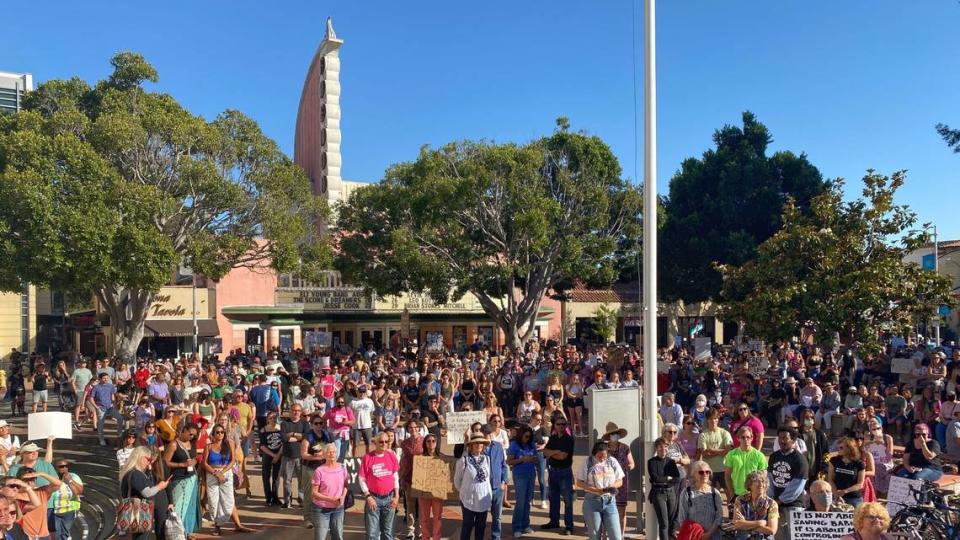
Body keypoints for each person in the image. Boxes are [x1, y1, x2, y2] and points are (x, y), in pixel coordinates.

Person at [204, 423, 252, 534]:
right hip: (212, 474)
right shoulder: (209, 446)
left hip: (226, 473)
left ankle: (236, 524)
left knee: (228, 500)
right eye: (217, 432)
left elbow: (233, 461)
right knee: (213, 501)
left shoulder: (230, 443)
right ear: (213, 434)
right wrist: (216, 473)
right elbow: (205, 463)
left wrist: (222, 472)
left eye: (222, 432)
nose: (220, 434)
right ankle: (217, 526)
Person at [119, 447, 170, 540]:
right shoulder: (136, 474)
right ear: (140, 457)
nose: (149, 462)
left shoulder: (132, 472)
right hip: (141, 511)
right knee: (141, 537)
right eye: (148, 459)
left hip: (138, 510)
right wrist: (160, 487)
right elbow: (147, 493)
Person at [576, 441, 624, 540]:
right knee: (595, 536)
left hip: (610, 501)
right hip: (592, 501)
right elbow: (579, 482)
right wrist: (594, 489)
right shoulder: (588, 461)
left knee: (616, 536)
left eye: (604, 455)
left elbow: (620, 481)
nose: (602, 458)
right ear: (595, 452)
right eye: (600, 455)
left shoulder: (612, 461)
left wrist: (611, 486)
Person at [766, 427, 808, 540]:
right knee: (777, 534)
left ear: (793, 440)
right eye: (779, 438)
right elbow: (770, 479)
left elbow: (797, 487)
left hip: (794, 504)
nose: (781, 441)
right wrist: (770, 500)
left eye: (785, 438)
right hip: (775, 503)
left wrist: (778, 501)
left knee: (795, 536)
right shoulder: (774, 457)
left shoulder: (800, 460)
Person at [359, 432, 400, 540]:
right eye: (381, 442)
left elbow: (395, 477)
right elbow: (361, 479)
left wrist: (396, 496)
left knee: (388, 533)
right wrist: (368, 496)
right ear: (375, 442)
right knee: (372, 533)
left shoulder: (391, 456)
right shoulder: (367, 457)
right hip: (373, 498)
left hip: (389, 498)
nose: (384, 444)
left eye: (387, 441)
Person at [164, 423, 201, 536]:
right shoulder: (174, 445)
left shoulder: (192, 443)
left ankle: (188, 531)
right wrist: (182, 464)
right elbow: (165, 462)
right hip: (178, 479)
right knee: (178, 506)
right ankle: (177, 532)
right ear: (183, 430)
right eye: (190, 434)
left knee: (190, 506)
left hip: (191, 479)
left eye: (194, 435)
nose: (192, 437)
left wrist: (195, 461)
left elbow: (193, 457)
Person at [454, 433, 492, 540]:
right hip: (468, 500)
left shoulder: (487, 459)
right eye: (476, 443)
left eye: (481, 443)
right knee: (467, 526)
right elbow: (457, 480)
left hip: (483, 499)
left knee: (481, 527)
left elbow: (488, 479)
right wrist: (465, 491)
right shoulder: (464, 461)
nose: (478, 445)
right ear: (470, 446)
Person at [541, 416, 575, 535]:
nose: (560, 426)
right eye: (558, 424)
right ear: (555, 425)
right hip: (553, 471)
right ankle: (554, 521)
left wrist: (552, 453)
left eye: (563, 424)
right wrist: (556, 452)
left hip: (564, 471)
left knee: (568, 500)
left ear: (566, 426)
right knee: (553, 498)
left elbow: (563, 456)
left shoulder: (569, 439)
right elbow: (544, 452)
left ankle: (569, 526)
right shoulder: (553, 438)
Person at [675, 460, 723, 540]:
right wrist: (698, 534)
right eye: (701, 472)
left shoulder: (715, 493)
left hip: (713, 536)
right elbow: (682, 518)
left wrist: (708, 534)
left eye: (707, 472)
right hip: (692, 536)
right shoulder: (687, 492)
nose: (705, 474)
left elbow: (719, 517)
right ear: (694, 474)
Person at [601, 422, 634, 537]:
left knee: (622, 511)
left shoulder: (625, 447)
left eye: (616, 433)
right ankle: (604, 536)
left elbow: (632, 463)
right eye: (612, 434)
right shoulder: (604, 448)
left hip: (622, 483)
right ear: (608, 436)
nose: (615, 435)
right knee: (606, 510)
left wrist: (629, 466)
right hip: (607, 482)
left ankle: (621, 535)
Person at [311, 443, 347, 540]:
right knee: (320, 537)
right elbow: (314, 492)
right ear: (324, 455)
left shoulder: (343, 468)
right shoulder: (319, 471)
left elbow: (345, 486)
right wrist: (331, 499)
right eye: (329, 452)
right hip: (321, 509)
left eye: (334, 452)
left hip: (338, 508)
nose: (332, 454)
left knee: (338, 536)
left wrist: (343, 497)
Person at [507, 425, 538, 537]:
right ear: (521, 435)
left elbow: (536, 458)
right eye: (526, 436)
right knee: (520, 502)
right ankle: (517, 527)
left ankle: (525, 525)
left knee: (527, 501)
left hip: (531, 474)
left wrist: (533, 459)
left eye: (530, 436)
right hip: (520, 475)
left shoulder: (531, 444)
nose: (528, 438)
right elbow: (509, 461)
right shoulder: (514, 445)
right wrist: (522, 459)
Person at [724, 426, 767, 504]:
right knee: (737, 516)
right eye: (743, 437)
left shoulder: (759, 455)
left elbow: (763, 478)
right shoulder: (731, 455)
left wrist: (761, 494)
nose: (746, 439)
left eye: (748, 437)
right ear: (738, 439)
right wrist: (731, 493)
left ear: (752, 438)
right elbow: (727, 475)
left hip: (754, 494)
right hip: (737, 494)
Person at [730, 470, 778, 540]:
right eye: (757, 481)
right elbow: (736, 524)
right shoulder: (740, 500)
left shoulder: (772, 503)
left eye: (763, 481)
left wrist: (745, 523)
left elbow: (772, 530)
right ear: (750, 484)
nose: (761, 484)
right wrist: (759, 523)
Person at [647, 437, 680, 540]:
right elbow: (654, 477)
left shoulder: (671, 461)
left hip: (671, 493)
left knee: (672, 521)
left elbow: (677, 478)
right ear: (656, 448)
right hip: (659, 493)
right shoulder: (652, 462)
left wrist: (663, 479)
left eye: (665, 447)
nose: (663, 449)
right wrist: (667, 478)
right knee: (664, 523)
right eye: (660, 447)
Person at [398, 418, 424, 540]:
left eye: (415, 427)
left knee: (422, 506)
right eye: (410, 427)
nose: (413, 429)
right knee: (410, 505)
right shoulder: (404, 443)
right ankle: (411, 530)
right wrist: (401, 477)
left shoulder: (425, 441)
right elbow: (402, 461)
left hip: (422, 479)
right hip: (408, 478)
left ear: (419, 428)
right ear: (408, 429)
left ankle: (421, 529)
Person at [483, 423, 509, 540]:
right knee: (481, 516)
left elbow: (504, 465)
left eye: (488, 434)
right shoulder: (477, 448)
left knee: (497, 517)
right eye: (484, 434)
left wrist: (504, 481)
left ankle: (496, 537)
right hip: (483, 488)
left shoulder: (498, 446)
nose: (487, 436)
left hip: (497, 487)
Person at [280, 404, 309, 508]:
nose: (296, 412)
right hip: (287, 456)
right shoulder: (284, 423)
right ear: (290, 411)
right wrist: (298, 436)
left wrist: (291, 434)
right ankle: (287, 501)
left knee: (302, 480)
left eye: (298, 410)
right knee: (287, 480)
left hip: (301, 456)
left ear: (301, 412)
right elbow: (283, 437)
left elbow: (307, 436)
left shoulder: (305, 423)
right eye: (293, 410)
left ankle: (301, 499)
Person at [697, 409, 732, 489]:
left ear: (718, 419)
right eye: (711, 419)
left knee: (729, 493)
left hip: (724, 469)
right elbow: (705, 454)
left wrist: (710, 449)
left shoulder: (725, 433)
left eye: (715, 418)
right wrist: (722, 451)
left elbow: (728, 451)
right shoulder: (703, 435)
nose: (713, 421)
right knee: (711, 494)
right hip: (709, 470)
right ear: (707, 420)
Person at [417, 435, 444, 540]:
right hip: (424, 493)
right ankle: (425, 537)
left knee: (437, 517)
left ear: (436, 443)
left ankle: (437, 537)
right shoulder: (420, 458)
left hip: (437, 492)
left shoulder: (442, 457)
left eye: (433, 441)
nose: (431, 443)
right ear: (425, 443)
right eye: (428, 441)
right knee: (424, 518)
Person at [829, 435, 866, 507]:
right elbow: (830, 479)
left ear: (849, 448)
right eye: (838, 447)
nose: (838, 450)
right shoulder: (834, 461)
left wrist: (844, 491)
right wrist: (836, 493)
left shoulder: (859, 464)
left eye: (841, 448)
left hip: (854, 498)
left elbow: (860, 484)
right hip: (837, 497)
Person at [91, 371, 126, 447]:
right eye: (104, 378)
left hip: (110, 407)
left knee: (120, 418)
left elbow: (112, 395)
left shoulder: (110, 386)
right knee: (101, 424)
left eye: (107, 378)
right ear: (100, 379)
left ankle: (119, 433)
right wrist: (96, 407)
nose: (106, 379)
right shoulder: (96, 387)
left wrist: (115, 405)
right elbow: (91, 398)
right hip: (101, 407)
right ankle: (101, 439)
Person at [258, 411, 283, 506]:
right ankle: (268, 498)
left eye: (274, 418)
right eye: (270, 418)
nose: (272, 419)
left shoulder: (280, 429)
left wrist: (278, 455)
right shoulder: (263, 430)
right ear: (267, 420)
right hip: (268, 455)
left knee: (276, 478)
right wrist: (273, 455)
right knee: (266, 476)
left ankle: (275, 497)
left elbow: (283, 443)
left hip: (279, 454)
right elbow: (262, 446)